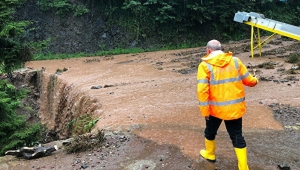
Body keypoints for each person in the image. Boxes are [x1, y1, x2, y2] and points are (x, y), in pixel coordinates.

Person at [197, 39, 258, 170]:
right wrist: (255, 80)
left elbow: (202, 91)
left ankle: (210, 154)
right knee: (237, 136)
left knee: (210, 132)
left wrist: (204, 111)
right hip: (234, 108)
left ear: (208, 50)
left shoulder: (204, 65)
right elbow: (249, 81)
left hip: (215, 110)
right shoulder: (236, 61)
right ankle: (243, 167)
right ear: (221, 49)